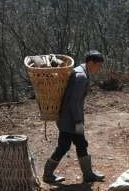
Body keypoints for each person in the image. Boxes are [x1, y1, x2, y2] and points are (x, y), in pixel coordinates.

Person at [43, 50, 105, 184]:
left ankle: (88, 174)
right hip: (69, 119)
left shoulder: (80, 71)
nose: (99, 68)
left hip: (69, 117)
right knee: (64, 146)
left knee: (81, 144)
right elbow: (73, 102)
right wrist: (78, 121)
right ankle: (47, 174)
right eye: (98, 65)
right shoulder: (81, 76)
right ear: (90, 62)